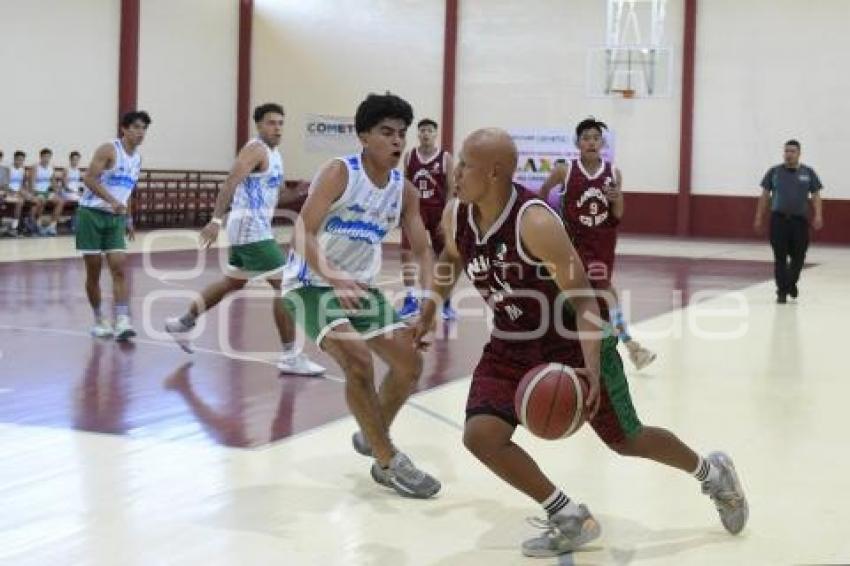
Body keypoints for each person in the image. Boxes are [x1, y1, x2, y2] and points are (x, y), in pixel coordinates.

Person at [413, 128, 748, 558]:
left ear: (493, 173)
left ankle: (712, 473)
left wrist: (590, 369)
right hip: (511, 340)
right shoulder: (457, 214)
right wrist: (425, 316)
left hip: (573, 339)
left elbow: (587, 302)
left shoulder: (534, 221)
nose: (455, 172)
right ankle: (569, 515)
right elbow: (451, 260)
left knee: (627, 439)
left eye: (464, 164)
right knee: (480, 436)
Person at [281, 92, 440, 498]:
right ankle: (388, 461)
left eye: (401, 134)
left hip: (359, 287)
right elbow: (301, 232)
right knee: (357, 360)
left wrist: (427, 299)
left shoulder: (404, 191)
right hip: (311, 284)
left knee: (409, 364)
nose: (397, 141)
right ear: (364, 136)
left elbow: (421, 248)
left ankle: (372, 436)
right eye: (387, 132)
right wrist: (334, 277)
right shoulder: (340, 173)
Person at [165, 103, 324, 376]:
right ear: (259, 126)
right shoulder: (255, 149)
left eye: (281, 123)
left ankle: (183, 323)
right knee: (286, 286)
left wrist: (303, 191)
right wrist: (215, 220)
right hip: (250, 229)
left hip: (254, 229)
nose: (277, 128)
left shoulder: (275, 155)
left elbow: (280, 195)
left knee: (232, 282)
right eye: (271, 123)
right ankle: (290, 356)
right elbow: (230, 182)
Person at [539, 118, 656, 370]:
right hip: (574, 243)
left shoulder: (613, 173)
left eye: (595, 138)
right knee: (594, 294)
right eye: (586, 138)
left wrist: (618, 198)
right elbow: (543, 192)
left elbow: (618, 214)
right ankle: (630, 345)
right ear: (577, 143)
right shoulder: (564, 171)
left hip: (602, 243)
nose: (591, 142)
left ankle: (622, 345)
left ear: (602, 143)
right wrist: (547, 222)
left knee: (597, 296)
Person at [77, 110, 150, 340]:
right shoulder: (109, 149)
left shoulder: (138, 158)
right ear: (124, 129)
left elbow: (126, 190)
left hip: (115, 218)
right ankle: (99, 320)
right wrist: (112, 201)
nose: (141, 132)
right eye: (136, 127)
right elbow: (88, 178)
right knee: (94, 271)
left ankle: (122, 320)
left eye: (144, 128)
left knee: (119, 268)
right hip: (91, 214)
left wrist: (127, 217)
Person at [398, 118, 456, 320]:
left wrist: (447, 216)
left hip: (438, 212)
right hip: (415, 211)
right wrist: (401, 211)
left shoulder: (445, 158)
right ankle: (410, 299)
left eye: (429, 130)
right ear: (418, 134)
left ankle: (446, 302)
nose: (425, 134)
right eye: (422, 130)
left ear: (435, 133)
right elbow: (403, 185)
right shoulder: (409, 157)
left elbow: (451, 188)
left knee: (445, 256)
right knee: (406, 252)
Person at [753, 139, 824, 303]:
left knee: (799, 256)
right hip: (779, 221)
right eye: (786, 151)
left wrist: (818, 215)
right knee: (780, 257)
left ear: (799, 153)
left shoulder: (808, 173)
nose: (788, 154)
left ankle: (791, 282)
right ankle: (782, 291)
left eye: (792, 151)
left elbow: (816, 196)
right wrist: (758, 217)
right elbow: (764, 196)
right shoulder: (774, 172)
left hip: (799, 222)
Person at [28, 148, 64, 236]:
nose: (46, 159)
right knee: (41, 201)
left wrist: (57, 191)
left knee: (60, 201)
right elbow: (31, 183)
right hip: (37, 192)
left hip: (47, 192)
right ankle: (39, 225)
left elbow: (53, 182)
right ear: (41, 157)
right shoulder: (35, 167)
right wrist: (35, 194)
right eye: (45, 157)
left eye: (48, 157)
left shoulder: (50, 168)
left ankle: (52, 226)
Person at [1, 151, 29, 237]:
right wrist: (13, 192)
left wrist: (25, 192)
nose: (20, 162)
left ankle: (29, 226)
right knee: (20, 202)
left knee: (33, 200)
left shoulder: (22, 170)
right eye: (18, 160)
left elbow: (23, 184)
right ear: (14, 159)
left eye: (22, 160)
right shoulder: (8, 169)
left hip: (17, 192)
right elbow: (5, 185)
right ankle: (14, 227)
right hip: (8, 192)